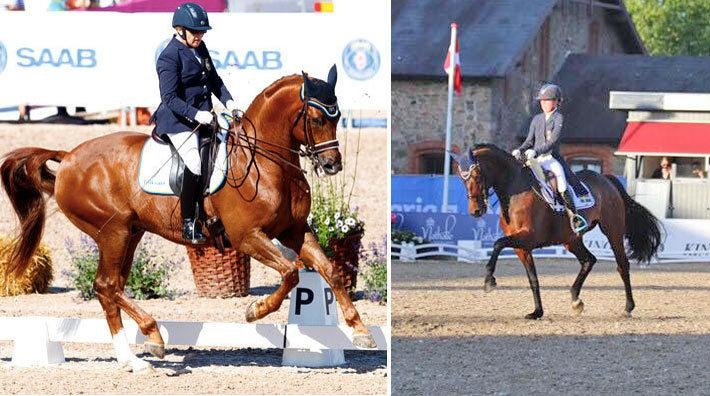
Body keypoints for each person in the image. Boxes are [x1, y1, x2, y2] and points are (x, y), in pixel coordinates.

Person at [152, 2, 238, 244]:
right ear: (180, 30)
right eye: (196, 32)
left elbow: (214, 80)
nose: (200, 36)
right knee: (195, 162)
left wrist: (229, 103)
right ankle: (189, 222)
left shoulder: (200, 48)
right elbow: (169, 98)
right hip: (178, 120)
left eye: (202, 32)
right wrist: (196, 114)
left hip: (205, 116)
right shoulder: (169, 57)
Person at [512, 83, 586, 233]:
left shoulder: (559, 118)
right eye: (542, 100)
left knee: (562, 182)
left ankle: (574, 217)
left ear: (557, 102)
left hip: (550, 158)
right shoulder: (536, 119)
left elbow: (553, 141)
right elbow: (529, 141)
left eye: (548, 100)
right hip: (534, 159)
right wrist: (520, 150)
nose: (544, 103)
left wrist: (536, 151)